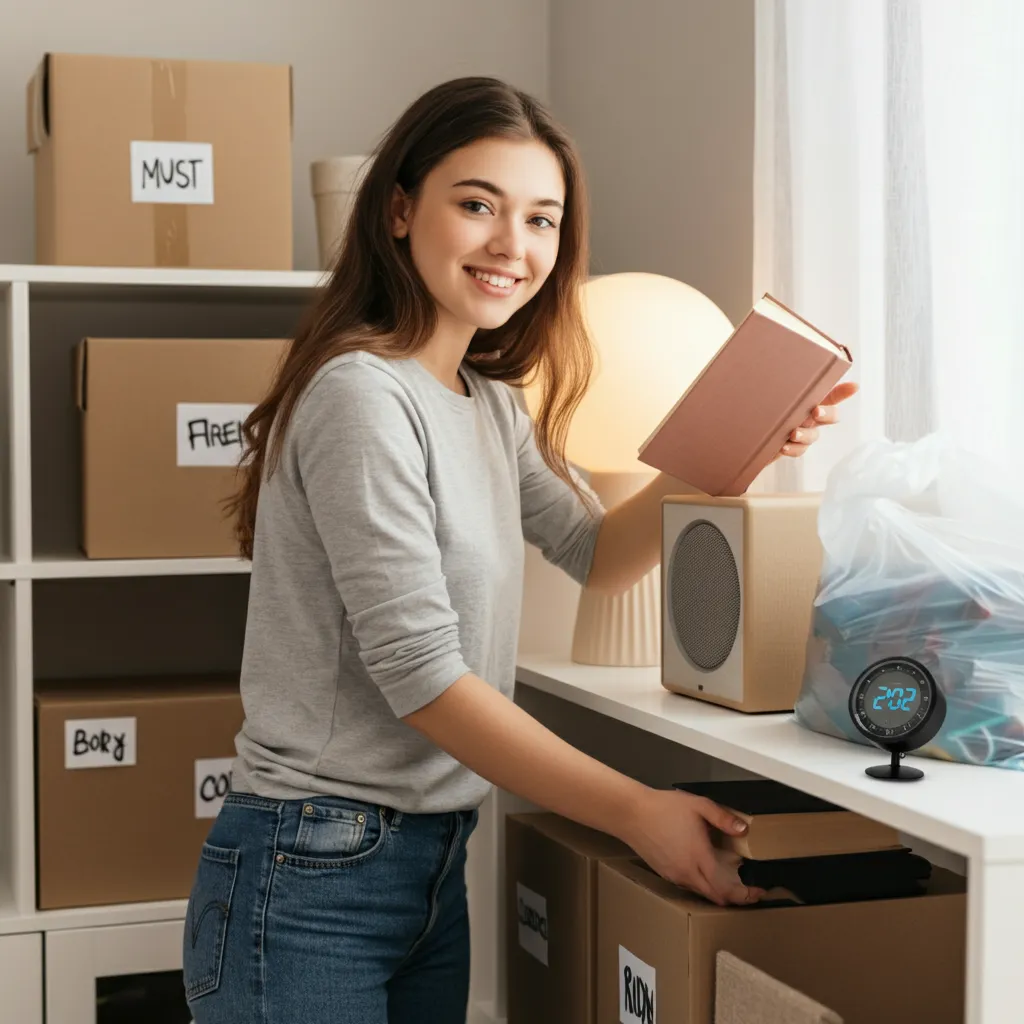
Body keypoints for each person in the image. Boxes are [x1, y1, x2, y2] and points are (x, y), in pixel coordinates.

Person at [181, 76, 856, 1024]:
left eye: (542, 220)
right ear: (401, 210)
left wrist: (741, 437)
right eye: (477, 205)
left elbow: (598, 551)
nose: (513, 245)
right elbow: (423, 679)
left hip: (429, 863)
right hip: (310, 870)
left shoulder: (487, 407)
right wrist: (635, 810)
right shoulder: (361, 397)